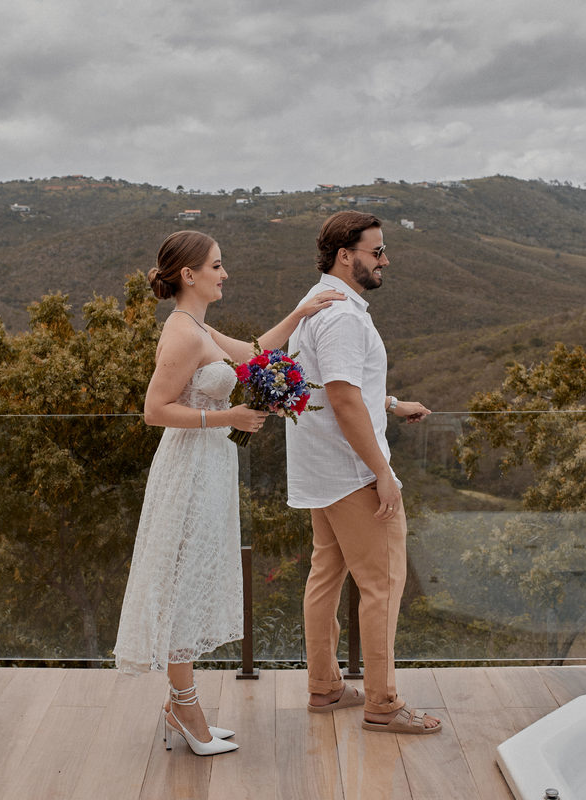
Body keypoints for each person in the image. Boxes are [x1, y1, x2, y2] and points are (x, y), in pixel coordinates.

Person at [113, 230, 343, 756]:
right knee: (182, 581)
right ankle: (185, 707)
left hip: (211, 467)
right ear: (188, 275)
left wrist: (301, 313)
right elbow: (154, 411)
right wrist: (228, 417)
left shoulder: (199, 327)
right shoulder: (182, 334)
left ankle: (181, 704)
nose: (224, 274)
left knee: (193, 577)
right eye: (216, 266)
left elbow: (258, 352)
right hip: (189, 469)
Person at [285, 211, 440, 735]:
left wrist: (391, 403)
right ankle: (383, 702)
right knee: (383, 584)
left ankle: (325, 687)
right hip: (353, 472)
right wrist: (382, 472)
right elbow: (345, 399)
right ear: (344, 255)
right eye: (377, 251)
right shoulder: (343, 317)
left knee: (325, 578)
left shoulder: (315, 303)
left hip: (320, 471)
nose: (385, 260)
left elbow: (333, 385)